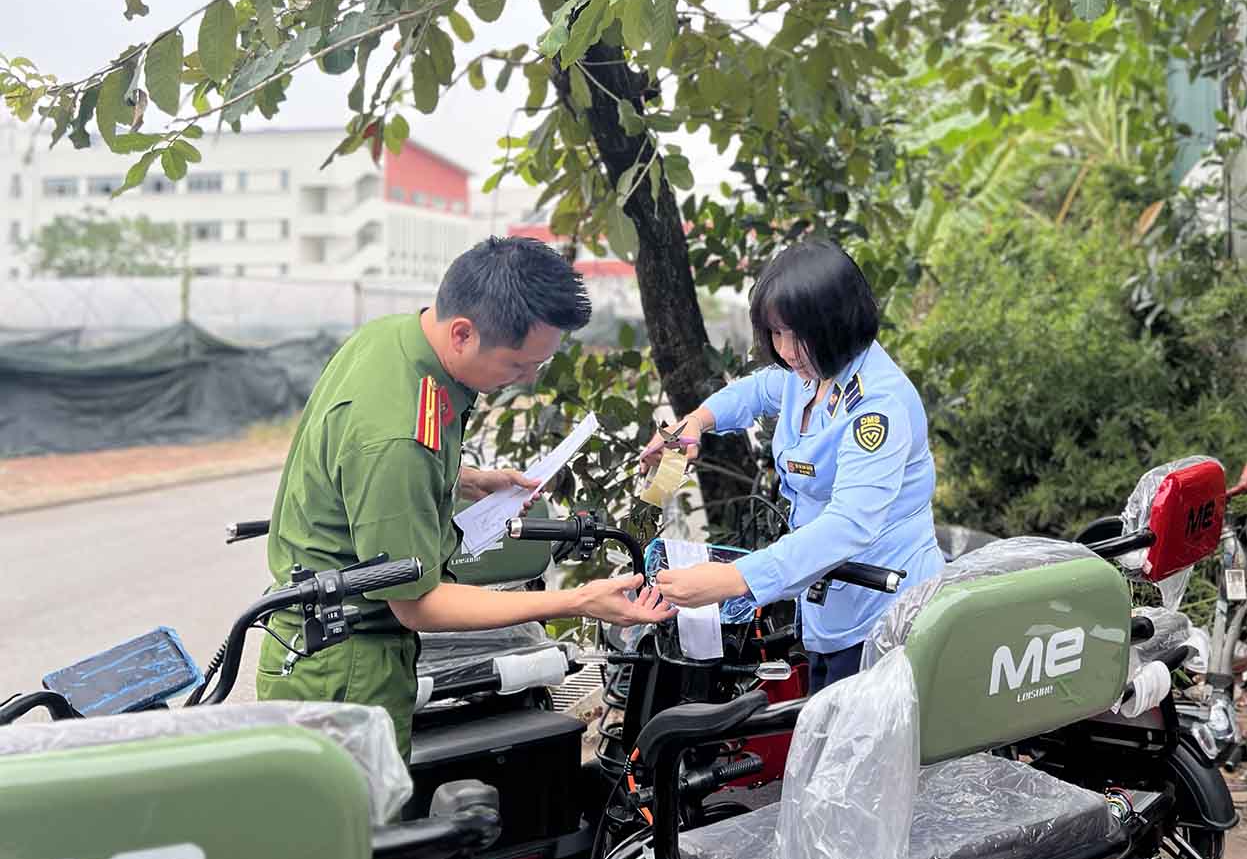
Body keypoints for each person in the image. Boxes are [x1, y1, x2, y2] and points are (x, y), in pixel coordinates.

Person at [257, 237, 673, 758]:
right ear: (462, 333)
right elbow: (416, 604)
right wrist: (577, 600)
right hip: (344, 672)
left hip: (332, 649)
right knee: (355, 836)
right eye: (517, 366)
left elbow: (358, 469)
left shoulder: (396, 341)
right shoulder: (397, 436)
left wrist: (466, 479)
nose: (523, 381)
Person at [639, 239, 943, 693]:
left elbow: (848, 525)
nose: (787, 350)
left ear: (838, 323)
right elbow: (758, 389)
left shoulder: (878, 408)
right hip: (826, 601)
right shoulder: (810, 374)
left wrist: (736, 579)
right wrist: (697, 422)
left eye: (799, 334)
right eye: (776, 333)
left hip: (883, 612)